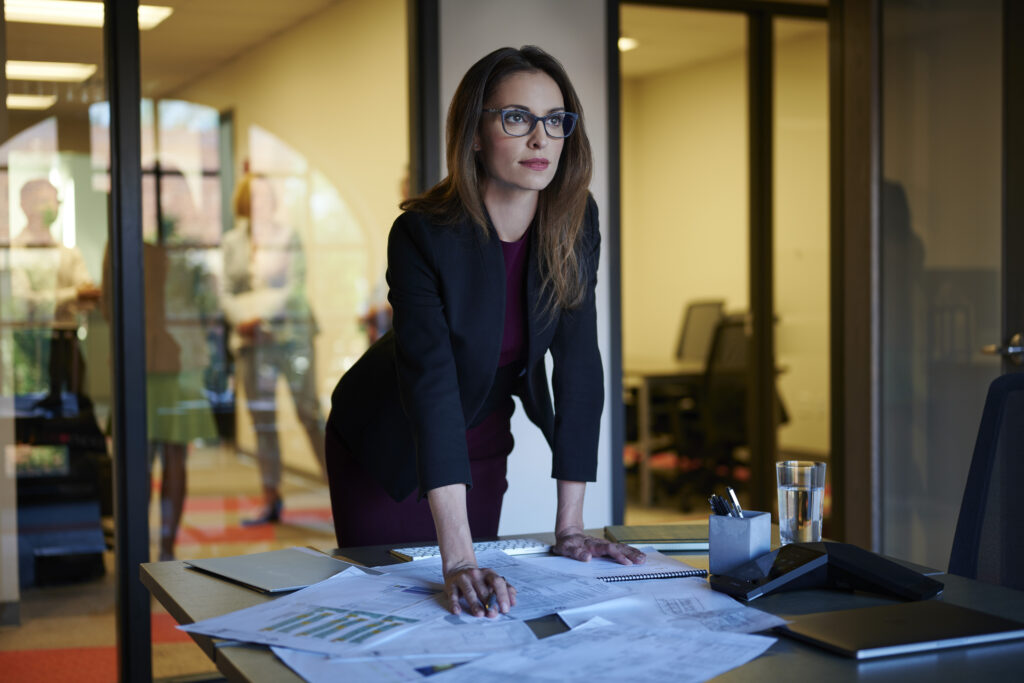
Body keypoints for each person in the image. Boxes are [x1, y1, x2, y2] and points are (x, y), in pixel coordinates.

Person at [326, 46, 645, 619]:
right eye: (517, 118)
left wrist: (570, 527)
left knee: (475, 613)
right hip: (390, 441)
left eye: (555, 120)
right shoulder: (422, 232)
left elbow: (579, 368)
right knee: (390, 606)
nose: (540, 139)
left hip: (483, 439)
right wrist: (456, 559)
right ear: (474, 134)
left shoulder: (576, 218)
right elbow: (430, 384)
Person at [220, 173, 326, 524]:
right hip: (252, 343)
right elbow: (225, 292)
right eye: (254, 196)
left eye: (266, 196)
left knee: (309, 414)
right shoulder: (232, 242)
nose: (260, 202)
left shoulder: (287, 236)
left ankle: (340, 487)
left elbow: (295, 288)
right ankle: (270, 499)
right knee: (262, 422)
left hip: (292, 336)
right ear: (244, 201)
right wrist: (242, 319)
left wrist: (257, 313)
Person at [9, 178, 101, 413]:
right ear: (25, 206)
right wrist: (72, 294)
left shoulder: (69, 253)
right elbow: (24, 302)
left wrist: (66, 298)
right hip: (31, 344)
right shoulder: (16, 252)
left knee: (79, 412)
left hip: (67, 343)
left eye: (54, 201)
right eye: (43, 201)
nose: (51, 208)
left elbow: (87, 298)